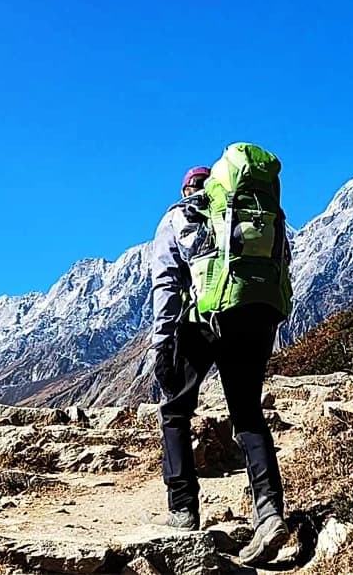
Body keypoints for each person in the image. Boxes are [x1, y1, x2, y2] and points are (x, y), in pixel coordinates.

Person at [149, 154, 292, 567]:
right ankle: (268, 514)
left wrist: (162, 345)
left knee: (176, 411)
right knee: (248, 415)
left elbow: (166, 286)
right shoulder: (261, 215)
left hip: (205, 321)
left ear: (186, 190)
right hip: (259, 316)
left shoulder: (178, 217)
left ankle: (183, 509)